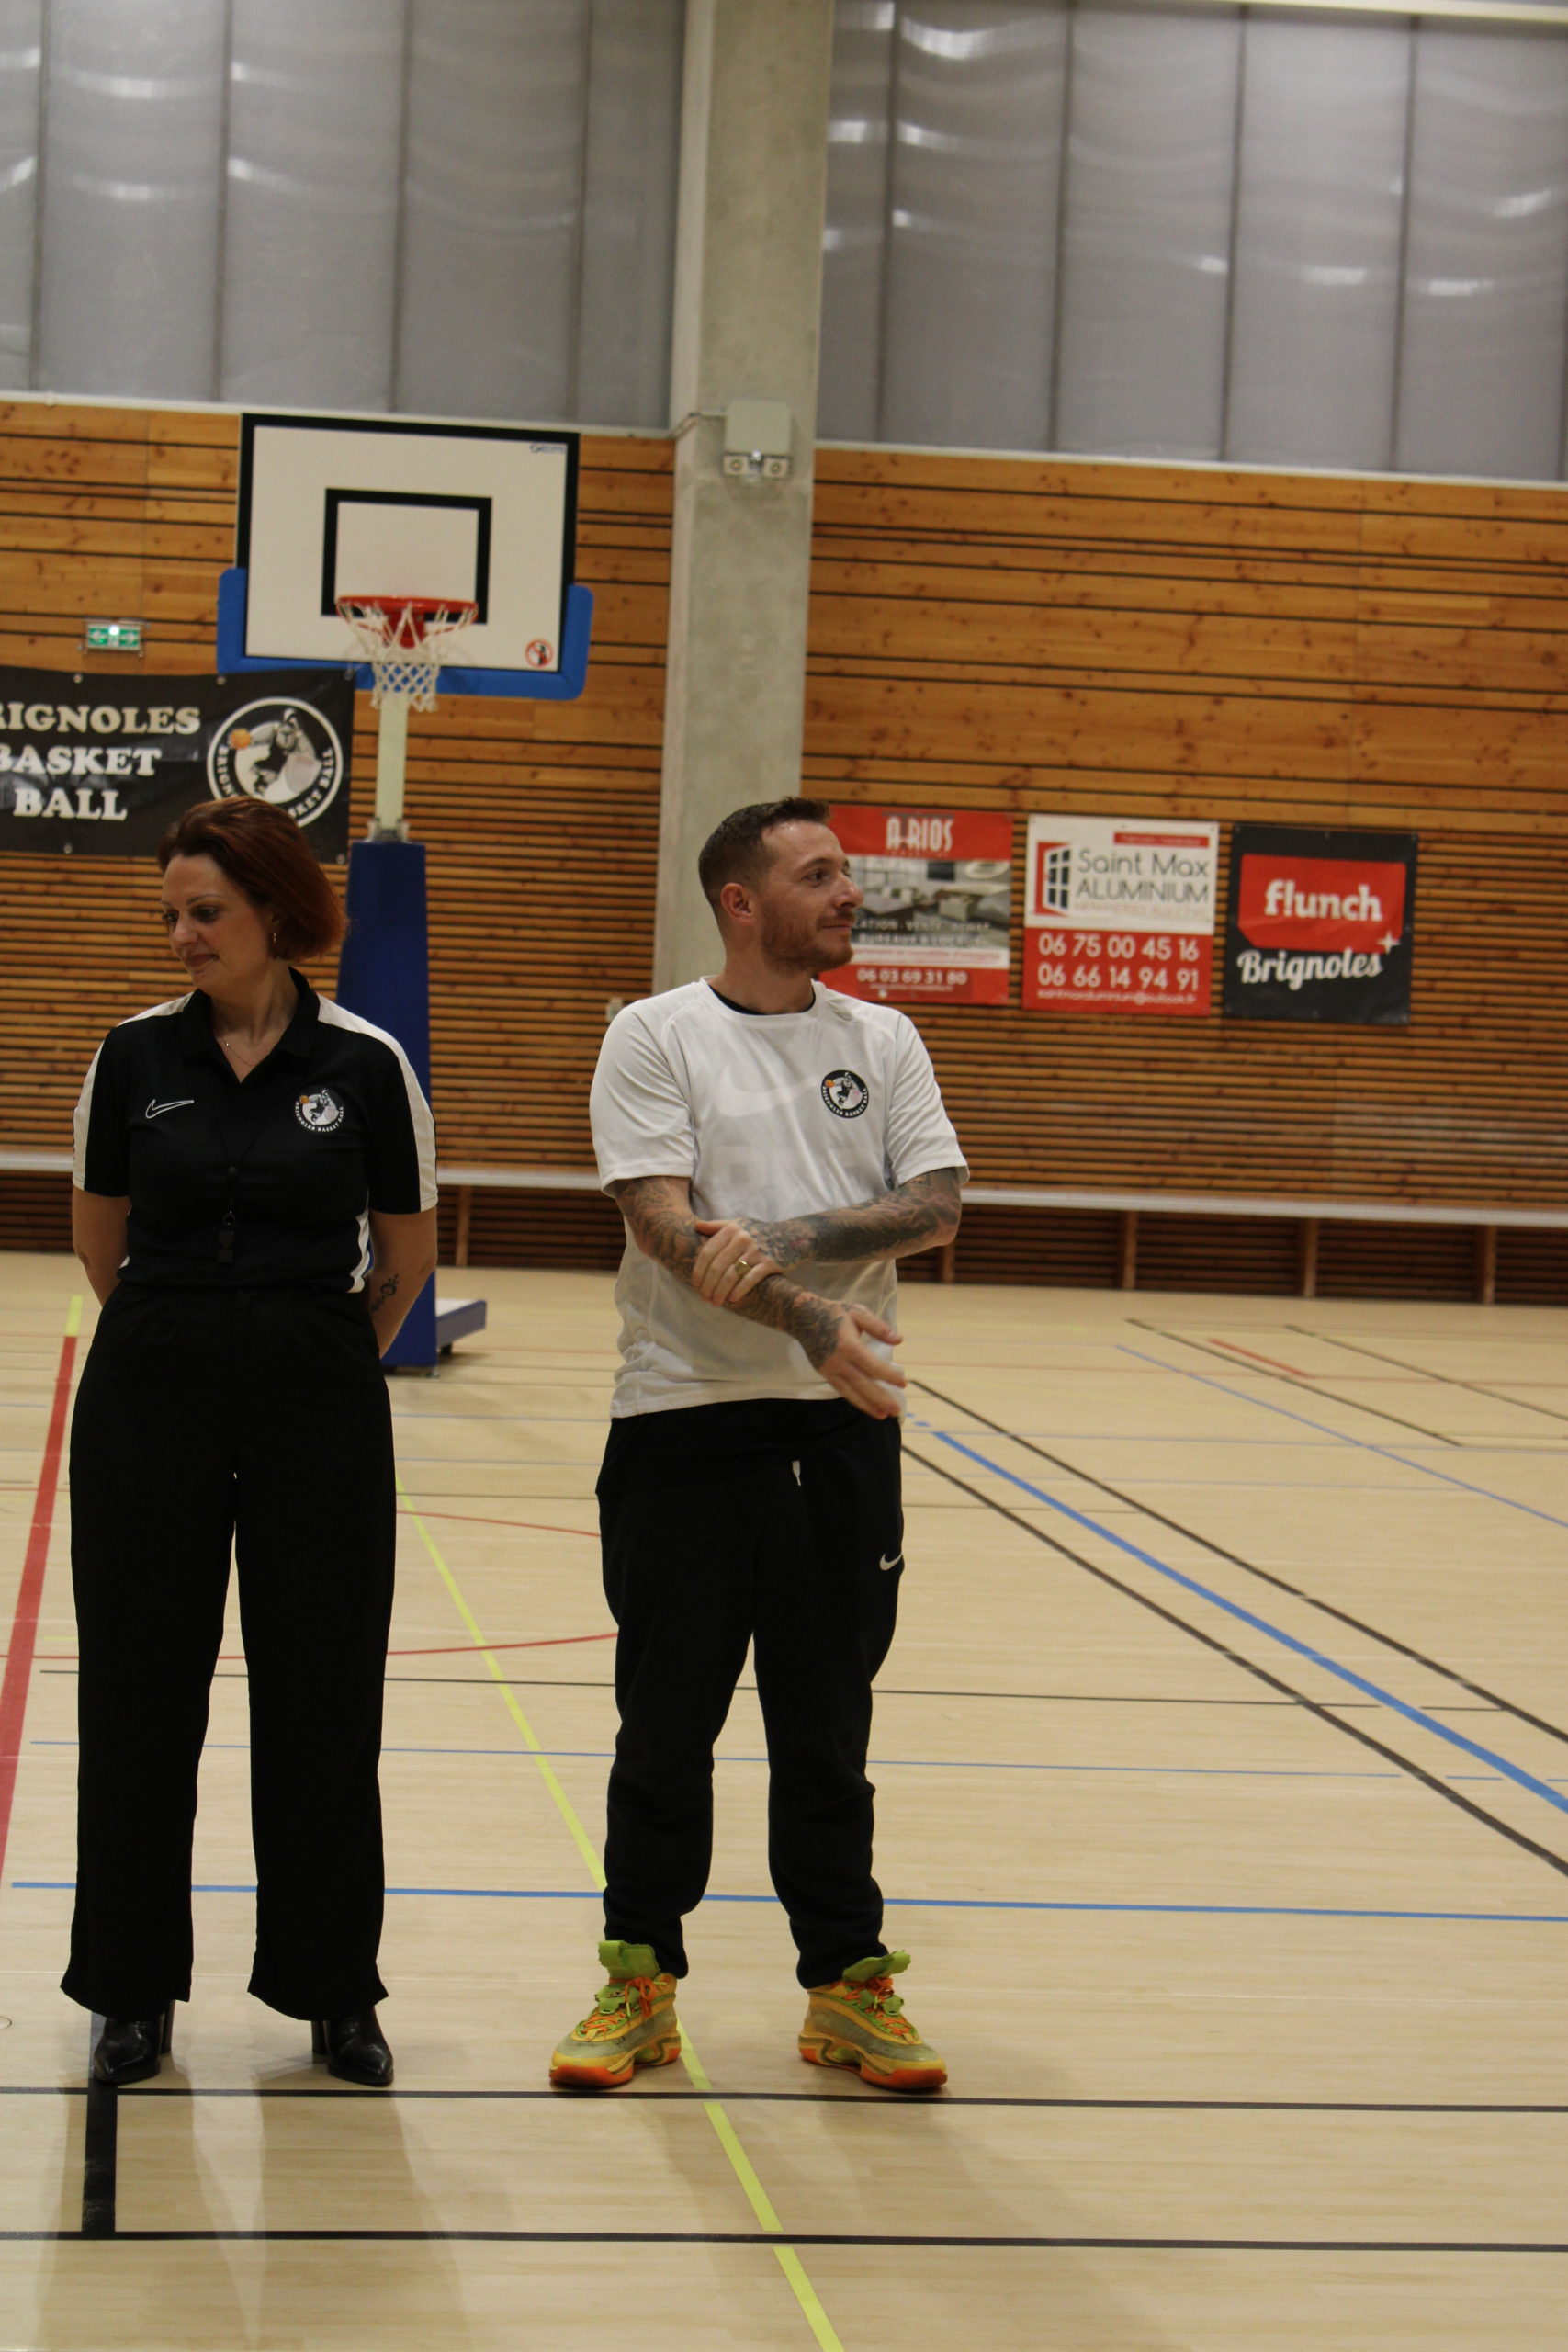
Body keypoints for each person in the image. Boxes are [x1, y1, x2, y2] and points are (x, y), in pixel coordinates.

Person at [549, 796, 964, 2095]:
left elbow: (935, 1204)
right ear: (742, 902)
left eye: (846, 872)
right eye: (820, 874)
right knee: (664, 1732)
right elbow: (663, 1225)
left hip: (843, 1434)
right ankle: (637, 1984)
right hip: (683, 1423)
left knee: (828, 1732)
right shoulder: (655, 1034)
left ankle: (847, 1985)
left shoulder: (882, 1038)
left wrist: (779, 1245)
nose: (850, 893)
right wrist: (809, 1319)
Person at [66, 796, 437, 2088]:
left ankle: (334, 1991)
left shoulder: (368, 1065)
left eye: (206, 912)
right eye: (171, 913)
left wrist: (306, 1360)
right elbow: (100, 1242)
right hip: (150, 1393)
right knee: (136, 1696)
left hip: (317, 1403)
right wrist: (187, 1344)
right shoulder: (129, 1058)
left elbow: (403, 1260)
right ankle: (128, 1993)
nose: (182, 934)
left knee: (324, 1698)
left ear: (276, 913)